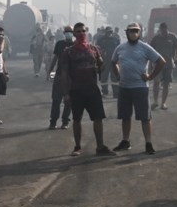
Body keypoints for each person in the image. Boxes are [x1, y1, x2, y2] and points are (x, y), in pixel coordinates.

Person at [60, 22, 113, 156]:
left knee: (98, 118)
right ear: (74, 34)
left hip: (92, 89)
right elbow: (64, 74)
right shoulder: (69, 52)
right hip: (76, 90)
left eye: (83, 31)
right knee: (77, 119)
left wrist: (99, 67)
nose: (81, 33)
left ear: (86, 32)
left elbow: (101, 65)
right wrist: (65, 93)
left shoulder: (94, 49)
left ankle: (100, 146)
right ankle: (77, 147)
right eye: (78, 31)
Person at [111, 22, 165, 155]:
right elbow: (113, 62)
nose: (134, 33)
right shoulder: (120, 48)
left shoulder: (145, 47)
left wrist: (151, 76)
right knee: (125, 116)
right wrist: (118, 75)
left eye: (136, 31)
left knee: (145, 117)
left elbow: (161, 61)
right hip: (124, 87)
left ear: (139, 33)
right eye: (131, 31)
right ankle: (125, 141)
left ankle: (148, 143)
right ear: (126, 32)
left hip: (140, 87)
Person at [148, 22, 177, 111]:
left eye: (165, 31)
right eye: (162, 31)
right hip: (157, 63)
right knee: (156, 82)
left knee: (166, 83)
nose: (164, 33)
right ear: (160, 30)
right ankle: (155, 101)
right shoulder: (156, 38)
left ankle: (163, 103)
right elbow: (150, 51)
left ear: (167, 29)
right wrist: (151, 63)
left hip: (168, 64)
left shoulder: (172, 37)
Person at [46, 26, 74, 129]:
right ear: (64, 33)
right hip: (59, 75)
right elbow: (55, 58)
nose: (68, 34)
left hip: (71, 77)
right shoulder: (59, 44)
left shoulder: (75, 45)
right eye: (67, 32)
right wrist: (50, 71)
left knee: (68, 101)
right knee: (56, 100)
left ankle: (65, 121)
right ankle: (53, 122)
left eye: (70, 32)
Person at [99, 26, 121, 98]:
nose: (109, 33)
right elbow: (97, 49)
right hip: (104, 61)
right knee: (104, 77)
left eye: (111, 32)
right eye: (108, 32)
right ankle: (104, 92)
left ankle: (116, 93)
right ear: (105, 32)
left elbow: (119, 50)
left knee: (114, 77)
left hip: (114, 61)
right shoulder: (101, 40)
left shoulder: (116, 39)